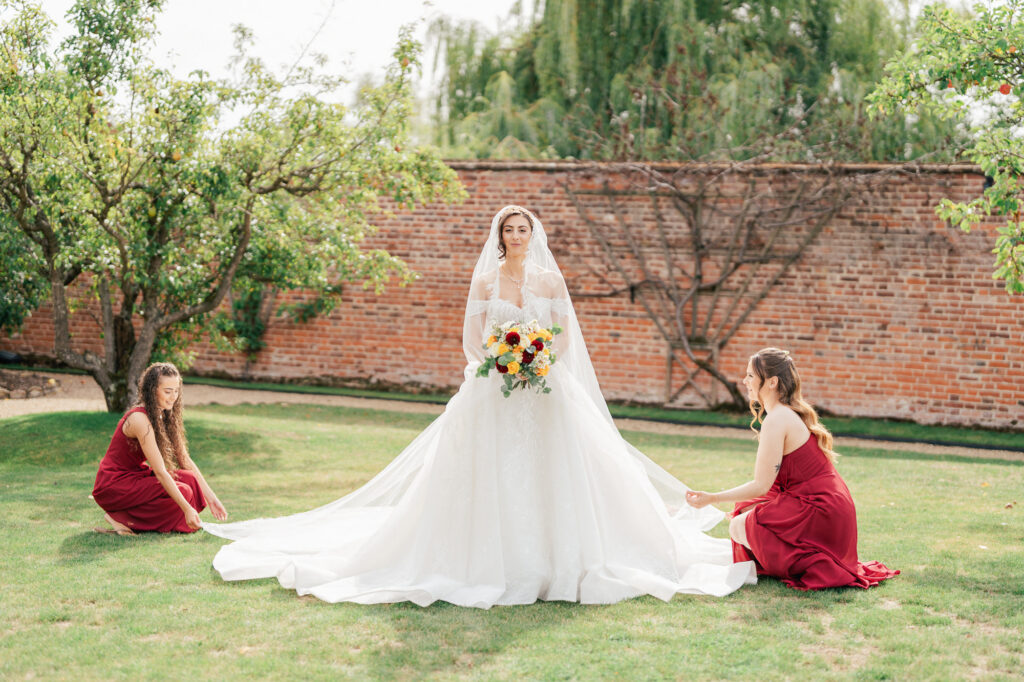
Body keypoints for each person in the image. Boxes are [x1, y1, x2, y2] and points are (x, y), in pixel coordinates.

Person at [204, 206, 755, 607]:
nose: (516, 235)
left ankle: (567, 557)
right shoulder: (486, 279)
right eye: (508, 229)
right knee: (485, 470)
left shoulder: (547, 277)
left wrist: (538, 361)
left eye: (523, 229)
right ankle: (477, 557)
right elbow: (471, 338)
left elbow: (563, 335)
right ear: (499, 236)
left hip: (544, 387)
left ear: (532, 235)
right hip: (494, 385)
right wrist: (498, 361)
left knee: (557, 469)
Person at [685, 348, 898, 590]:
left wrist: (713, 498)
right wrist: (744, 507)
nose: (745, 381)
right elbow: (772, 485)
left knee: (737, 526)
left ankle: (812, 563)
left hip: (819, 507)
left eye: (751, 376)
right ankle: (789, 555)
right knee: (744, 511)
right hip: (829, 506)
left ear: (772, 382)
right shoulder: (785, 414)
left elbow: (761, 485)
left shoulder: (777, 419)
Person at [92, 362, 228, 534]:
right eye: (167, 391)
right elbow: (160, 472)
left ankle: (132, 517)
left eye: (176, 391)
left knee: (190, 480)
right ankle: (122, 518)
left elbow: (184, 459)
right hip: (114, 485)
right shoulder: (139, 420)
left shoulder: (166, 414)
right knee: (184, 491)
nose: (173, 397)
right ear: (152, 390)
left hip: (135, 476)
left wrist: (212, 498)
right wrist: (186, 508)